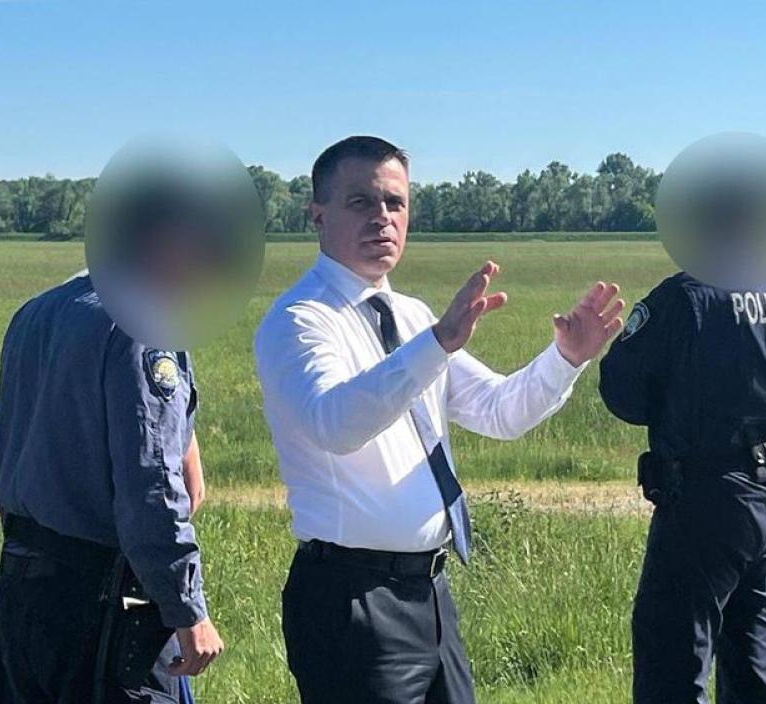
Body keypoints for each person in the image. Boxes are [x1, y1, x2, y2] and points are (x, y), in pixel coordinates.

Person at [254, 135, 623, 704]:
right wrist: (438, 343)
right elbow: (335, 424)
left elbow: (498, 411)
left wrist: (565, 359)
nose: (382, 217)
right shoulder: (300, 321)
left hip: (430, 592)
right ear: (318, 216)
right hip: (350, 598)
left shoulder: (411, 317)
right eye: (361, 202)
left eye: (395, 203)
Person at [0, 207, 225, 703]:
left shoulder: (34, 313)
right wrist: (187, 608)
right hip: (104, 600)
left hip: (24, 583)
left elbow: (10, 445)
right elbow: (153, 484)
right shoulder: (142, 325)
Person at [599, 264, 766, 702]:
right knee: (756, 656)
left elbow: (622, 389)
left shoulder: (687, 294)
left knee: (673, 663)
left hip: (704, 495)